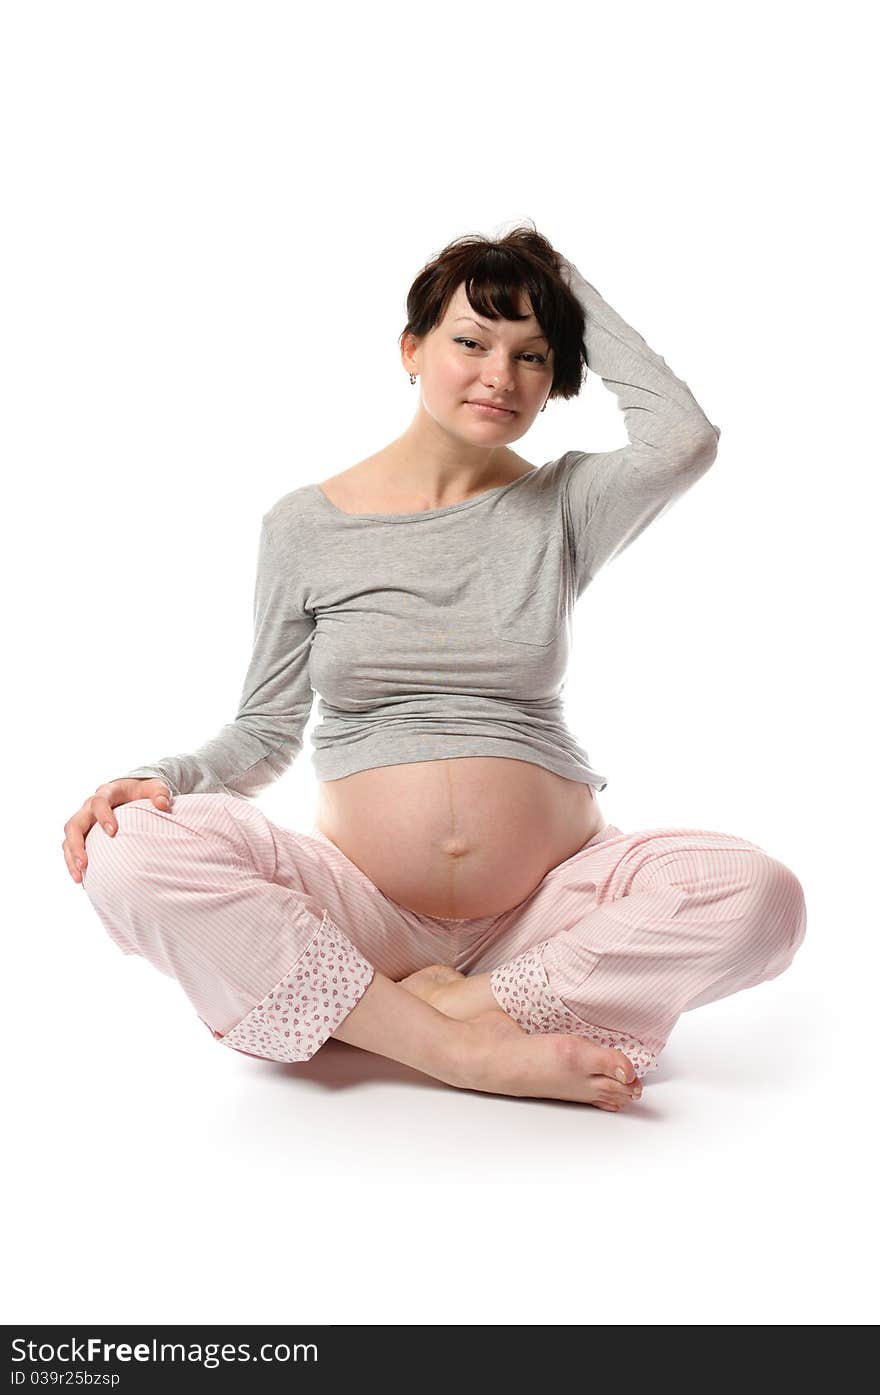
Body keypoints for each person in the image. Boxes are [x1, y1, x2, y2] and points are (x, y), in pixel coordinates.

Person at [62, 223, 807, 1112]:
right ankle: (461, 1050)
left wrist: (551, 271)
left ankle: (468, 1003)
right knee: (126, 856)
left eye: (534, 355)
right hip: (365, 913)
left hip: (545, 917)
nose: (500, 374)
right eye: (470, 340)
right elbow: (264, 732)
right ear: (412, 349)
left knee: (760, 894)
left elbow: (683, 438)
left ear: (556, 378)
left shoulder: (562, 503)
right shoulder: (304, 526)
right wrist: (158, 777)